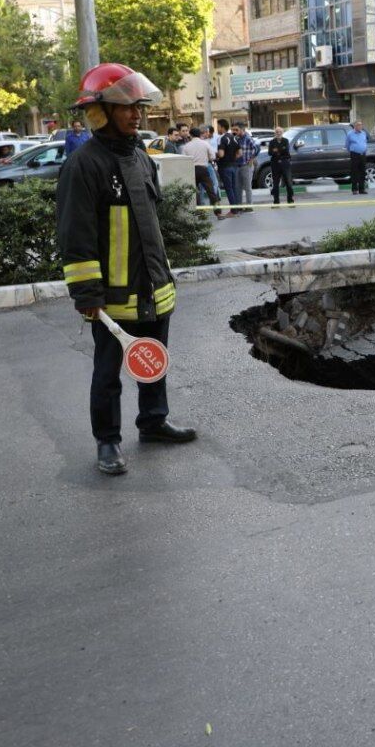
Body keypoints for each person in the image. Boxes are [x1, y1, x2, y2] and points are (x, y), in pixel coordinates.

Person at [55, 62, 197, 476]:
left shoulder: (140, 156)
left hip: (152, 286)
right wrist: (88, 296)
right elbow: (76, 235)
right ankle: (108, 442)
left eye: (138, 106)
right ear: (100, 113)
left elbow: (151, 223)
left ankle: (153, 421)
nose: (136, 114)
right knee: (108, 373)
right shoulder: (83, 165)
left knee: (152, 358)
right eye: (125, 107)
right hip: (111, 296)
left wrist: (163, 276)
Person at [181, 126, 224, 219]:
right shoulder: (205, 144)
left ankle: (200, 213)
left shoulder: (186, 146)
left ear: (191, 135)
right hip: (204, 169)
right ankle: (218, 213)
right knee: (211, 192)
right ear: (199, 134)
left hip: (192, 170)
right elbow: (212, 157)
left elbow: (183, 160)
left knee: (195, 192)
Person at [215, 122, 242, 213]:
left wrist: (216, 155)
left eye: (218, 127)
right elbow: (240, 153)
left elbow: (221, 154)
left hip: (224, 167)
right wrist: (233, 158)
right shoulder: (234, 138)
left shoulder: (221, 138)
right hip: (234, 166)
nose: (217, 129)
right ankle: (236, 209)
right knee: (234, 188)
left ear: (222, 127)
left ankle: (233, 211)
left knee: (228, 188)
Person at [234, 121, 259, 213]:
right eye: (234, 130)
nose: (235, 131)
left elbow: (256, 148)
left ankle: (249, 206)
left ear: (242, 130)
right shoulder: (236, 138)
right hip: (237, 166)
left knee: (247, 187)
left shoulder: (248, 138)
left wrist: (252, 159)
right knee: (238, 187)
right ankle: (239, 206)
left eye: (237, 130)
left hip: (246, 165)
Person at [267, 130, 294, 205]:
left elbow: (286, 151)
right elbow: (270, 152)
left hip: (285, 162)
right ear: (275, 133)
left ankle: (290, 200)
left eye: (280, 132)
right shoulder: (272, 142)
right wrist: (280, 149)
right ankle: (276, 201)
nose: (278, 133)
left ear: (282, 133)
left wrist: (276, 150)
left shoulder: (286, 140)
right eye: (277, 132)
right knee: (275, 183)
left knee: (288, 182)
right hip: (275, 163)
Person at [346, 120, 369, 194]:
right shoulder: (350, 134)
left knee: (362, 172)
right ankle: (354, 189)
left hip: (363, 154)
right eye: (358, 125)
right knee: (354, 172)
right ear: (355, 126)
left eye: (361, 125)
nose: (360, 126)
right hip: (354, 154)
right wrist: (353, 150)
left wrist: (364, 148)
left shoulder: (363, 133)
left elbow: (365, 142)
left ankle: (362, 189)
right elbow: (347, 145)